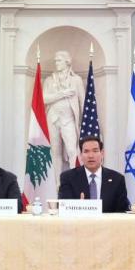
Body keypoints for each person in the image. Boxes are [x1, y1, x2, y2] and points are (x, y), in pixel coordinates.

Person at [58, 135, 129, 213]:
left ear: (102, 153)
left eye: (95, 151)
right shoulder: (68, 178)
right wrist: (79, 207)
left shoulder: (117, 179)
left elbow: (122, 212)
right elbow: (64, 210)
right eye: (86, 151)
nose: (91, 156)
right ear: (81, 155)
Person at [43, 50, 85, 179]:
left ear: (67, 62)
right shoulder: (49, 80)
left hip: (69, 119)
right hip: (53, 119)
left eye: (59, 60)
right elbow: (43, 99)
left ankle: (74, 182)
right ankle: (57, 183)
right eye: (55, 60)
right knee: (55, 152)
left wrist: (82, 123)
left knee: (73, 150)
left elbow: (83, 101)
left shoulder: (76, 80)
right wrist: (62, 94)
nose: (56, 63)